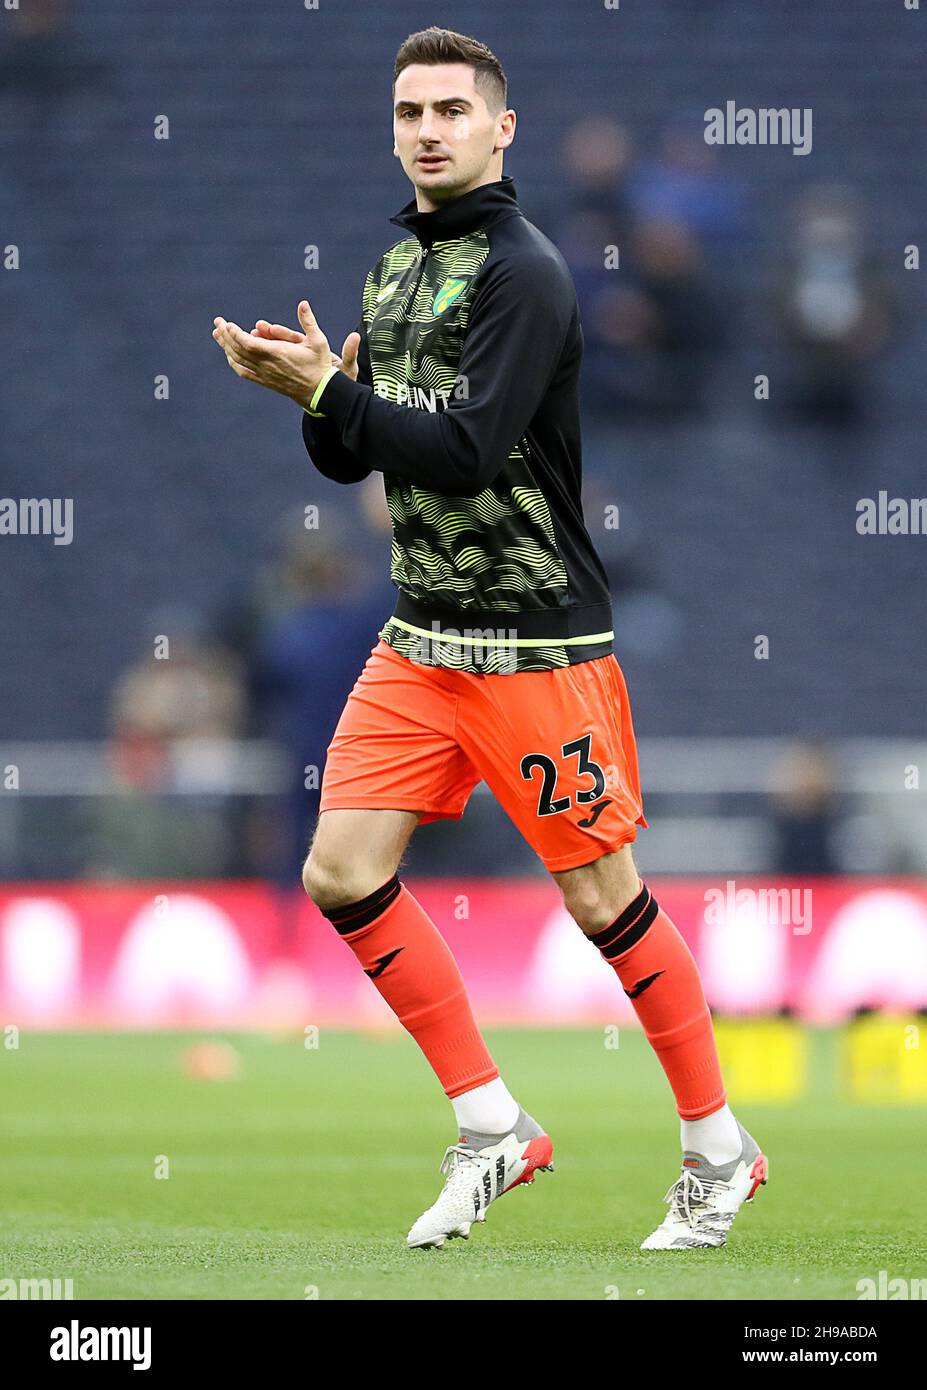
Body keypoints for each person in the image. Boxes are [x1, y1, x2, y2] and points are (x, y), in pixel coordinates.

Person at [212, 26, 767, 1252]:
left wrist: (327, 396)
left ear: (499, 127)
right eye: (411, 109)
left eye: (454, 110)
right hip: (421, 637)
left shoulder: (526, 272)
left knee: (601, 897)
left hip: (537, 644)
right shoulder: (391, 273)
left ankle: (720, 1150)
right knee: (341, 873)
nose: (429, 128)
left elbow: (465, 452)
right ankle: (491, 1125)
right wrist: (307, 388)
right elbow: (355, 446)